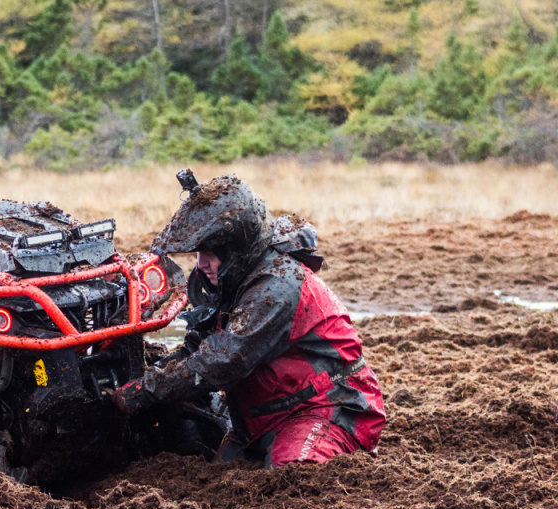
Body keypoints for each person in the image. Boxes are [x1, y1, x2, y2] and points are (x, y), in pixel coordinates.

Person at [113, 170, 385, 468]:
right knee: (217, 478)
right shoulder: (233, 282)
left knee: (293, 477)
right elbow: (195, 350)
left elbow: (222, 361)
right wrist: (140, 380)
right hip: (261, 419)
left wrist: (145, 391)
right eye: (198, 255)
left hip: (330, 406)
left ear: (236, 249)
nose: (201, 265)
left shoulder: (278, 283)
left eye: (210, 254)